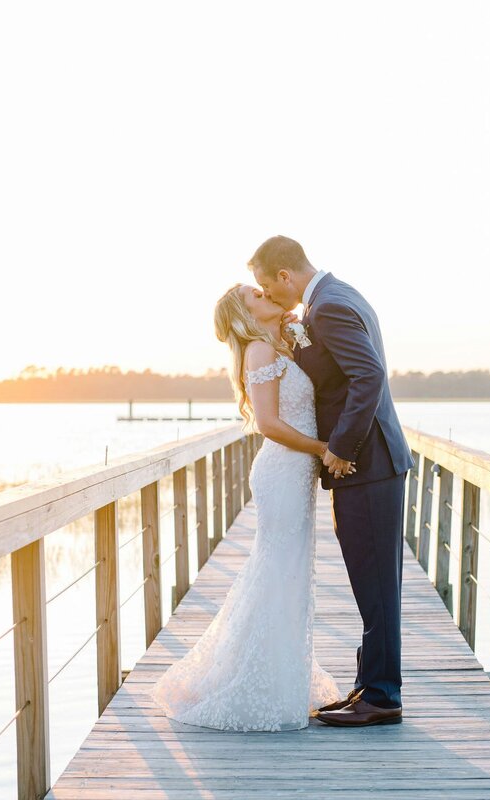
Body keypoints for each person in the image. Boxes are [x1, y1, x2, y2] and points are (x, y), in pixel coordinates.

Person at [148, 282, 342, 731]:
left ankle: (281, 673)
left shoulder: (279, 343)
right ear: (244, 314)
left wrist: (294, 332)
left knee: (289, 571)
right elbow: (270, 424)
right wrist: (324, 448)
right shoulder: (257, 350)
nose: (267, 294)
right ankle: (256, 680)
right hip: (282, 470)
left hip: (297, 472)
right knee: (278, 571)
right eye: (256, 295)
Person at [248, 235, 414, 727]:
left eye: (265, 285)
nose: (270, 295)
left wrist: (339, 448)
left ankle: (382, 696)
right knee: (372, 581)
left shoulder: (329, 308)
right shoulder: (337, 295)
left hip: (368, 464)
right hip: (372, 465)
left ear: (284, 276)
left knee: (378, 584)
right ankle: (369, 684)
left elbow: (369, 376)